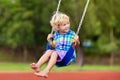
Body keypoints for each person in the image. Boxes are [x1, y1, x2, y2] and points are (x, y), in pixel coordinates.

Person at [30, 12, 80, 78]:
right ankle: (38, 66)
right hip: (58, 55)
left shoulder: (72, 34)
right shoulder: (56, 35)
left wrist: (76, 40)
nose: (67, 26)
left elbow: (75, 45)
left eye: (68, 23)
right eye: (64, 24)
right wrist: (49, 41)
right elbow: (54, 46)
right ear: (58, 27)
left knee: (54, 53)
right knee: (48, 52)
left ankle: (46, 71)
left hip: (68, 56)